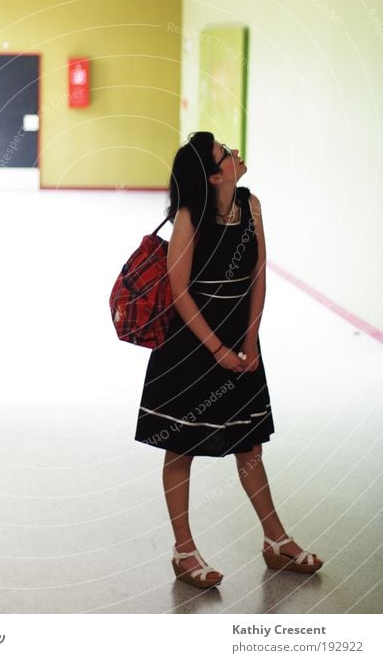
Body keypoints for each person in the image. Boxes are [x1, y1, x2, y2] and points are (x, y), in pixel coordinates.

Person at [134, 131, 323, 589]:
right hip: (190, 347)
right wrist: (217, 349)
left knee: (249, 442)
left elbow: (258, 273)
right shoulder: (189, 216)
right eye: (225, 153)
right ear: (214, 174)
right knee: (181, 447)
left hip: (240, 341)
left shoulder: (251, 204)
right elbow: (179, 292)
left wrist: (250, 339)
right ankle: (184, 551)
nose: (235, 153)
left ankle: (275, 541)